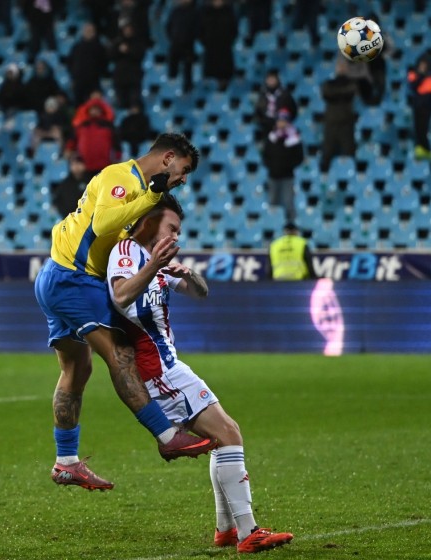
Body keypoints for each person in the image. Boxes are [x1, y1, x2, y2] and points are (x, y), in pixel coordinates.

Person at [106, 194, 294, 553]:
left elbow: (200, 293)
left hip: (171, 366)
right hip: (157, 371)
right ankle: (247, 532)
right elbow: (120, 296)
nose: (176, 236)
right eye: (172, 227)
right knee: (228, 432)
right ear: (149, 221)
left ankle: (227, 530)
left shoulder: (154, 260)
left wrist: (188, 274)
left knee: (224, 436)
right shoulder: (127, 252)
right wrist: (154, 266)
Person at [34, 133, 215, 492]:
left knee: (77, 369)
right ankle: (167, 436)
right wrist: (151, 196)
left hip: (55, 275)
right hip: (74, 278)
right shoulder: (123, 179)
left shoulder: (135, 188)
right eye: (184, 169)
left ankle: (66, 461)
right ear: (168, 158)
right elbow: (102, 225)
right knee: (121, 354)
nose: (183, 179)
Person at [261, 108, 304, 222]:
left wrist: (287, 165)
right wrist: (272, 165)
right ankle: (272, 225)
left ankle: (290, 225)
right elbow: (265, 155)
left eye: (284, 121)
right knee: (272, 202)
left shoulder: (294, 139)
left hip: (287, 176)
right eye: (279, 120)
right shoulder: (271, 137)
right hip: (273, 175)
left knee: (288, 202)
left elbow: (299, 158)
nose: (281, 123)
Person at [319, 59, 358, 172]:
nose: (341, 69)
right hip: (331, 123)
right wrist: (342, 94)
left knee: (349, 152)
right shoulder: (329, 83)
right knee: (327, 153)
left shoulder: (352, 83)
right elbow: (327, 93)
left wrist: (336, 94)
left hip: (346, 124)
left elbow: (350, 91)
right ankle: (325, 176)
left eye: (343, 67)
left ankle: (349, 176)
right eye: (339, 66)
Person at [407, 52, 431, 160]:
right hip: (417, 101)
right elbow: (413, 87)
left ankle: (427, 150)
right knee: (417, 127)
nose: (423, 66)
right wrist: (421, 76)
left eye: (425, 64)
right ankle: (420, 149)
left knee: (424, 127)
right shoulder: (413, 73)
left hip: (428, 102)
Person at [255, 70, 298, 145]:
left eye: (273, 78)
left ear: (277, 79)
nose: (271, 81)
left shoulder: (285, 94)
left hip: (282, 126)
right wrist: (262, 122)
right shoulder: (263, 94)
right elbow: (258, 110)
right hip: (267, 125)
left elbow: (293, 109)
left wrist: (285, 121)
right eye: (269, 79)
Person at [165, 0, 199, 93]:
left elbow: (198, 29)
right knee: (172, 70)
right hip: (175, 44)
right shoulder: (175, 11)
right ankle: (171, 91)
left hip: (188, 45)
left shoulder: (195, 12)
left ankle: (188, 90)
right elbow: (168, 26)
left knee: (188, 69)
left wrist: (189, 38)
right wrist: (173, 37)